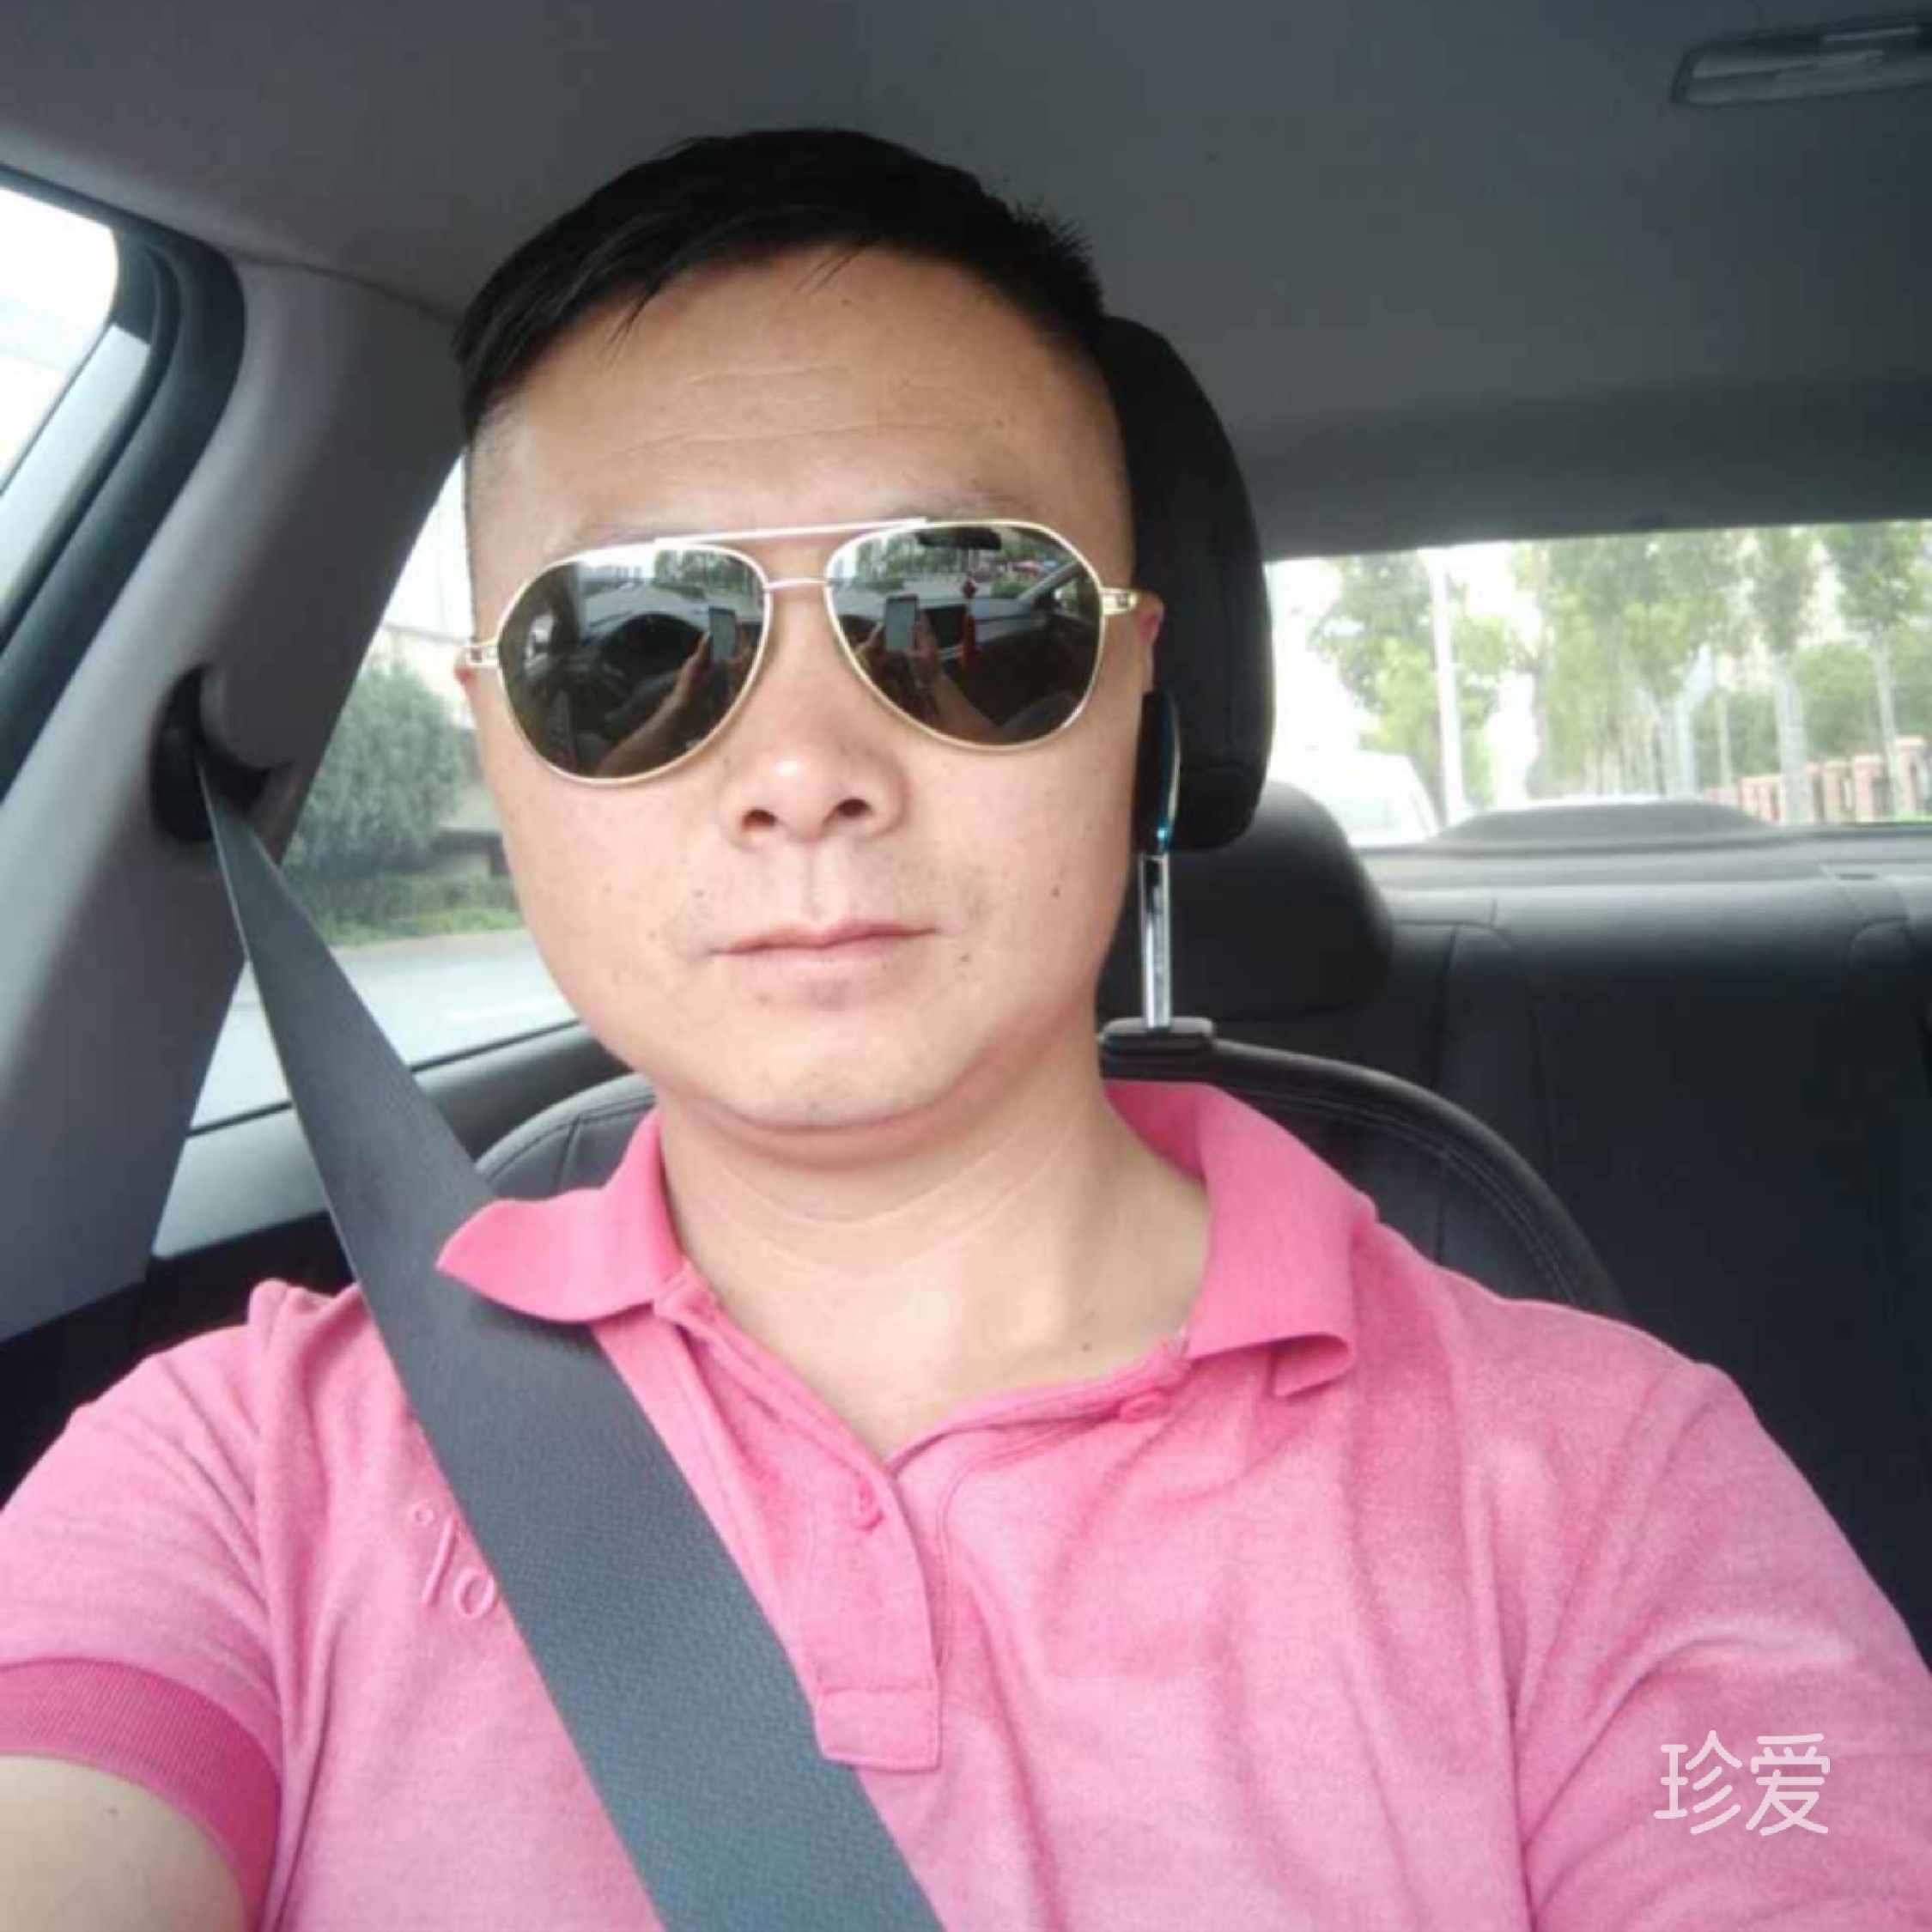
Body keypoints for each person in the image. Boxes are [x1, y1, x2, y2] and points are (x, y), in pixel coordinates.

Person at [2, 128, 1929, 1932]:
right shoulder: (237, 1478)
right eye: (631, 643)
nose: (804, 767)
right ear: (499, 741)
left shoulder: (1610, 1499)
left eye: (971, 616)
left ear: (1137, 693)